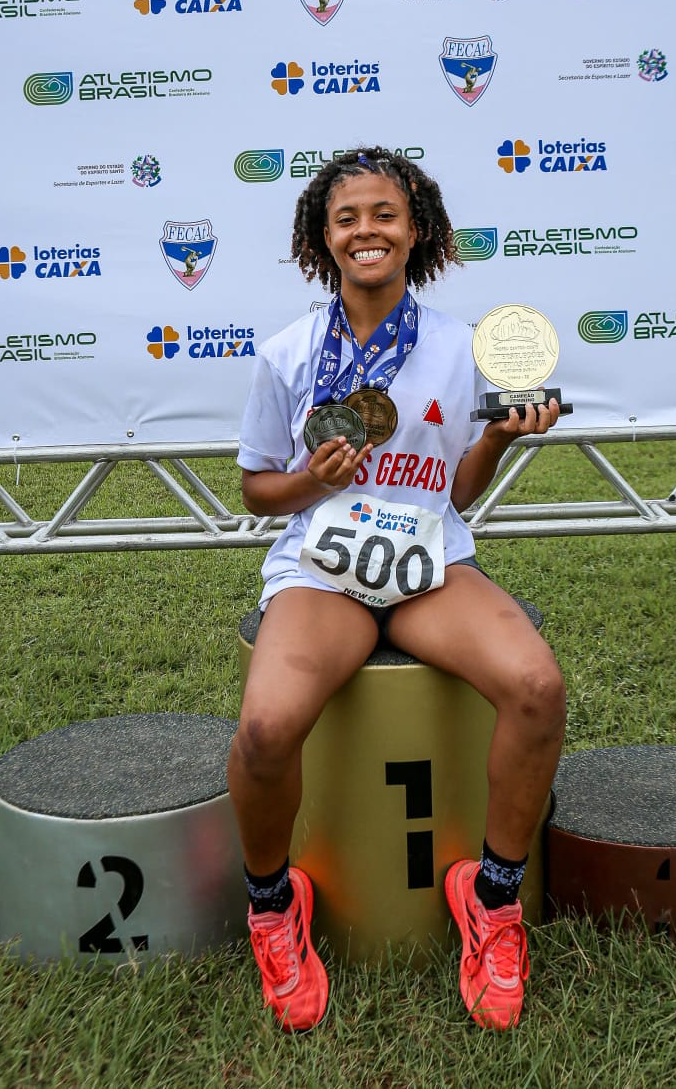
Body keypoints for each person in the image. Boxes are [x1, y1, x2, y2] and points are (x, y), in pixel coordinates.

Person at [231, 147, 565, 1032]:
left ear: (417, 231)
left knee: (537, 687)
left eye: (384, 214)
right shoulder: (288, 352)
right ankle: (274, 906)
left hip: (430, 561)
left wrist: (500, 438)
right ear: (322, 238)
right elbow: (257, 491)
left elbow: (458, 493)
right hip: (323, 569)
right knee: (265, 729)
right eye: (346, 218)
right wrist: (311, 480)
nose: (366, 231)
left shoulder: (460, 346)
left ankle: (492, 898)